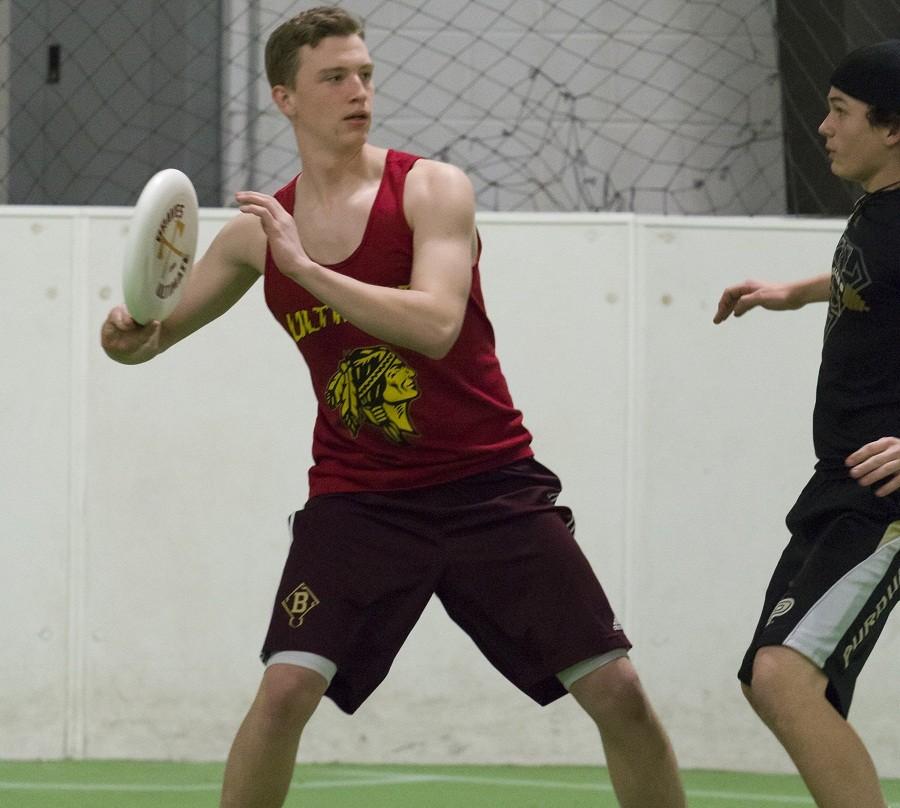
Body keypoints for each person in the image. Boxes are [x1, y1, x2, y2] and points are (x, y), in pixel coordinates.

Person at [101, 6, 685, 808]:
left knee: (617, 692)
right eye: (334, 77)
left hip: (491, 489)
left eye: (366, 74)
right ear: (285, 98)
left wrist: (308, 270)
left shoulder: (432, 188)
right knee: (282, 695)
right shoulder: (251, 238)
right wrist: (125, 331)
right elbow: (149, 339)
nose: (359, 91)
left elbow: (437, 324)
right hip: (360, 501)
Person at [714, 39, 900, 808]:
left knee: (783, 674)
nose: (823, 126)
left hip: (881, 499)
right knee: (775, 679)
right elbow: (874, 278)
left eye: (838, 111)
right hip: (838, 486)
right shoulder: (880, 212)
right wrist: (796, 292)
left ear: (892, 127)